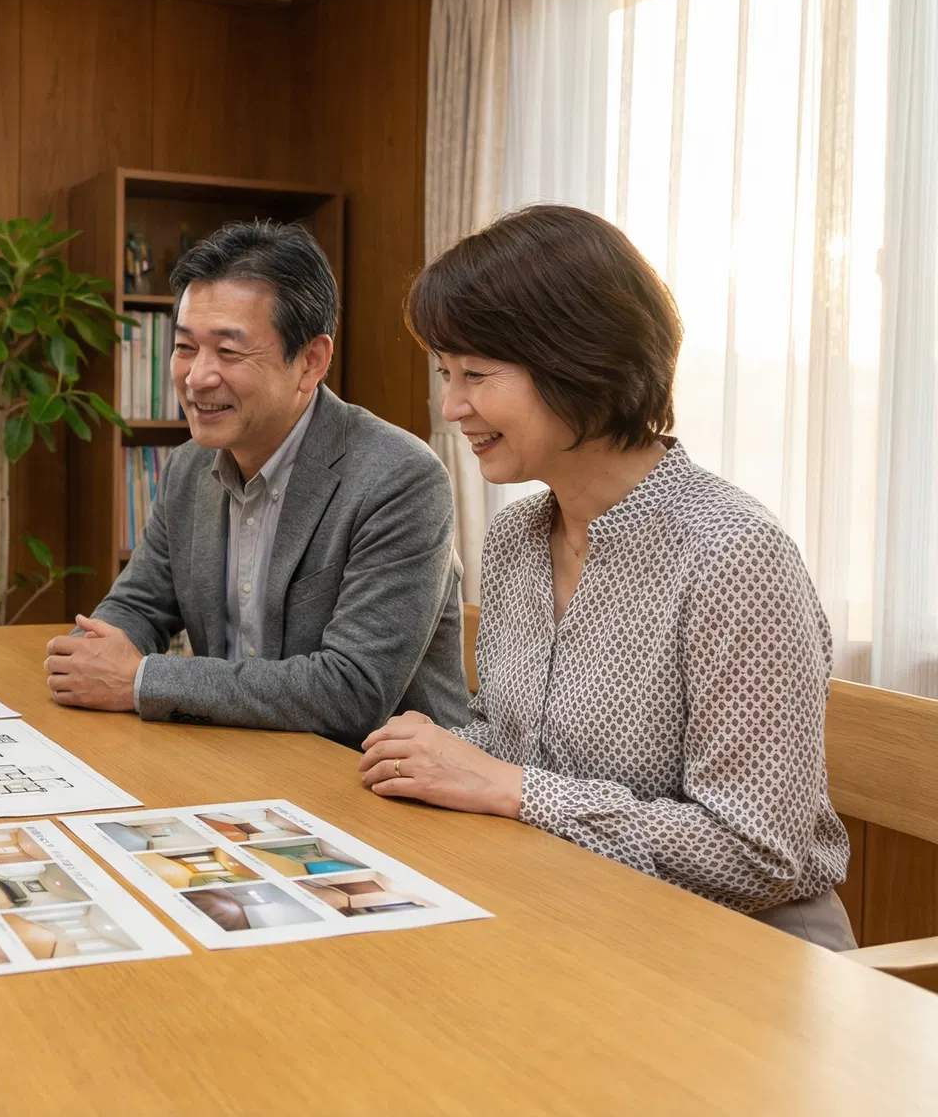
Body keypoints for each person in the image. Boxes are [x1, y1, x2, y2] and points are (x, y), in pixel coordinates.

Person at [359, 203, 853, 949]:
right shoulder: (516, 537)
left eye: (477, 374)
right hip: (579, 920)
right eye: (444, 373)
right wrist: (439, 749)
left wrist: (513, 790)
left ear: (580, 362)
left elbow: (760, 855)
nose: (451, 406)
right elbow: (510, 737)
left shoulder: (733, 555)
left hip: (744, 962)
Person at [44, 219, 468, 747]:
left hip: (379, 788)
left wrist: (141, 680)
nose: (198, 377)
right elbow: (139, 605)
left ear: (310, 362)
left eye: (229, 351)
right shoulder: (188, 469)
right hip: (241, 760)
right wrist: (95, 650)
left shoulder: (400, 477)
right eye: (184, 347)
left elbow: (354, 690)